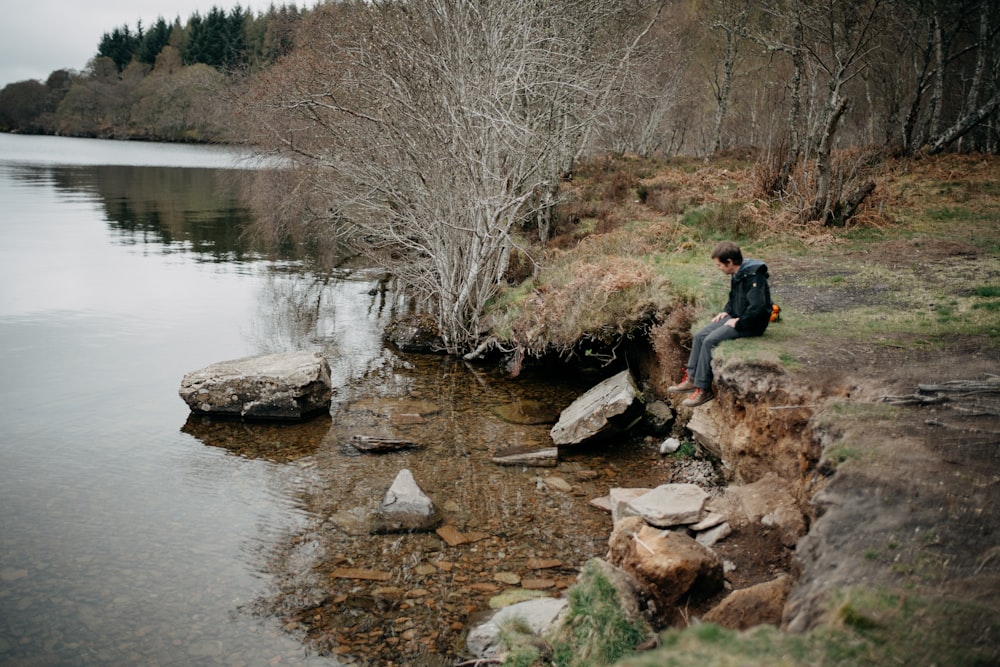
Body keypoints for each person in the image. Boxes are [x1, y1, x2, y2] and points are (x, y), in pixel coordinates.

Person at [668, 241, 773, 407]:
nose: (718, 268)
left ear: (729, 262)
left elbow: (758, 308)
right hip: (735, 316)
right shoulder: (737, 272)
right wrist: (727, 310)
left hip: (751, 324)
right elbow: (734, 297)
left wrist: (739, 323)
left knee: (710, 340)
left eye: (719, 265)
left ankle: (703, 389)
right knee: (700, 335)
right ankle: (692, 378)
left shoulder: (754, 276)